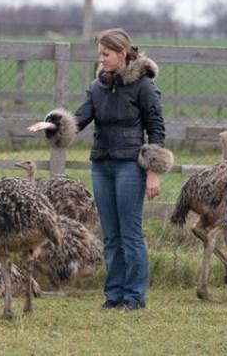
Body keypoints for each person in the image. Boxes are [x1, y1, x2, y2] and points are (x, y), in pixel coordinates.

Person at [28, 28, 173, 311]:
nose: (101, 59)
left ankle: (134, 296)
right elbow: (80, 118)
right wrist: (54, 124)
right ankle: (114, 295)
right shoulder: (98, 88)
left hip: (130, 166)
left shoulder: (143, 87)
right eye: (99, 54)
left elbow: (156, 128)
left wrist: (153, 170)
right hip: (102, 166)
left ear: (121, 53)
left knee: (130, 234)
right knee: (111, 235)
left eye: (106, 54)